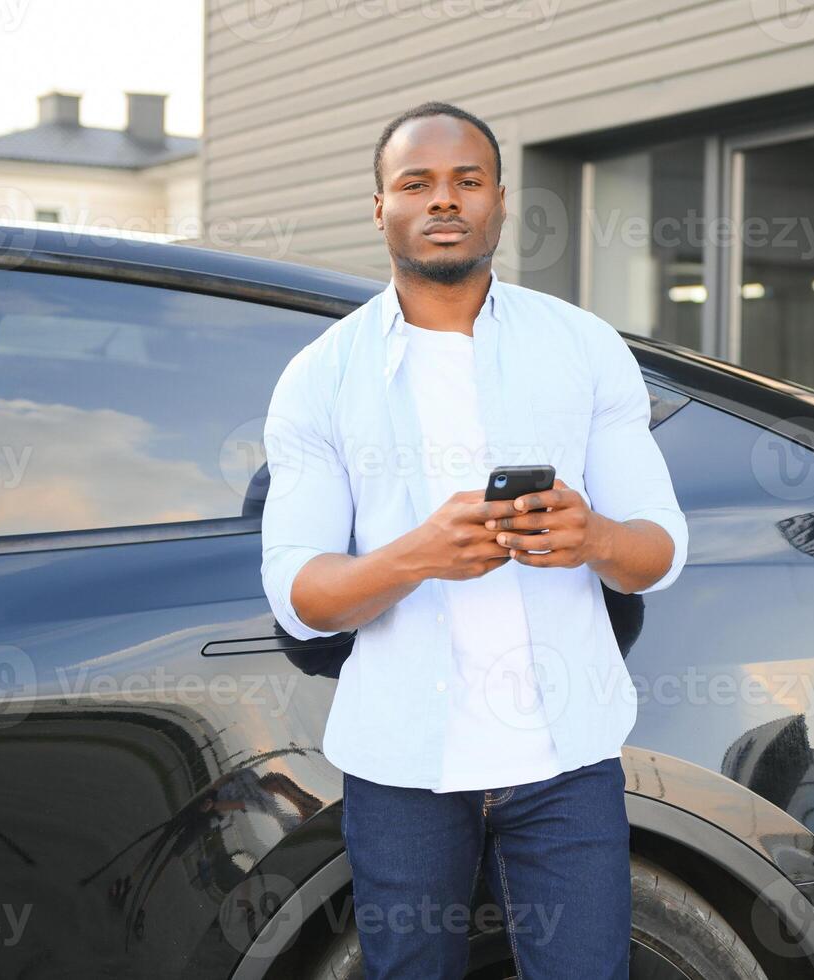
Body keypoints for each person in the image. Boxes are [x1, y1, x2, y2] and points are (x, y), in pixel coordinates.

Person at [258, 101, 689, 979]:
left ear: (499, 202)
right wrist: (418, 556)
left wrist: (594, 536)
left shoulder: (581, 346)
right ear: (379, 207)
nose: (443, 200)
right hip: (402, 768)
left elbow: (660, 550)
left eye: (467, 181)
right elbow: (298, 599)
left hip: (566, 761)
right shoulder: (319, 377)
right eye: (415, 183)